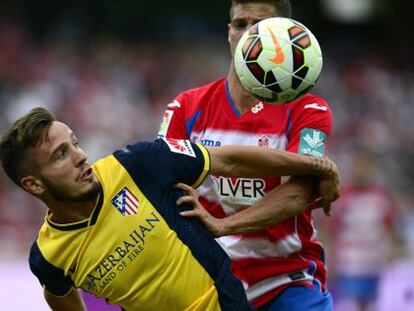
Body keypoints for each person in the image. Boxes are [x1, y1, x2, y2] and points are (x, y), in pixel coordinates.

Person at [0, 107, 339, 311]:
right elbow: (58, 292)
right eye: (61, 154)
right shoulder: (48, 257)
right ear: (34, 185)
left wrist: (314, 166)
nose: (80, 155)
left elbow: (229, 160)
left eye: (74, 143)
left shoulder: (139, 164)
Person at [157, 0, 335, 310]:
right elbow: (159, 186)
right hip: (208, 281)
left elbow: (296, 195)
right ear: (228, 33)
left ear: (284, 38)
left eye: (260, 28)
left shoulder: (310, 110)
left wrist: (223, 226)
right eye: (240, 25)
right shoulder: (185, 107)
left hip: (286, 280)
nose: (247, 37)